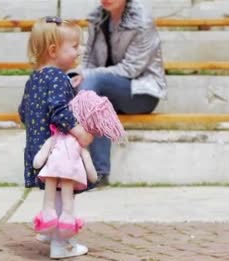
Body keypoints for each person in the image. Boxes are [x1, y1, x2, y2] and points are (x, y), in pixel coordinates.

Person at [18, 17, 93, 259]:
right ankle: (62, 244)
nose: (78, 51)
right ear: (53, 50)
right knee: (65, 192)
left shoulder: (35, 78)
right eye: (73, 46)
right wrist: (79, 131)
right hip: (58, 151)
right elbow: (59, 110)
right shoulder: (58, 78)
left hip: (37, 147)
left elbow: (23, 111)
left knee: (54, 193)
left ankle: (49, 232)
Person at [71, 0, 167, 186]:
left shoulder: (142, 20)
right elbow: (89, 60)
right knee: (75, 85)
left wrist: (87, 75)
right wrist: (78, 76)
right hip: (105, 90)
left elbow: (131, 69)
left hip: (141, 92)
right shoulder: (97, 17)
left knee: (91, 83)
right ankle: (94, 172)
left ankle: (93, 169)